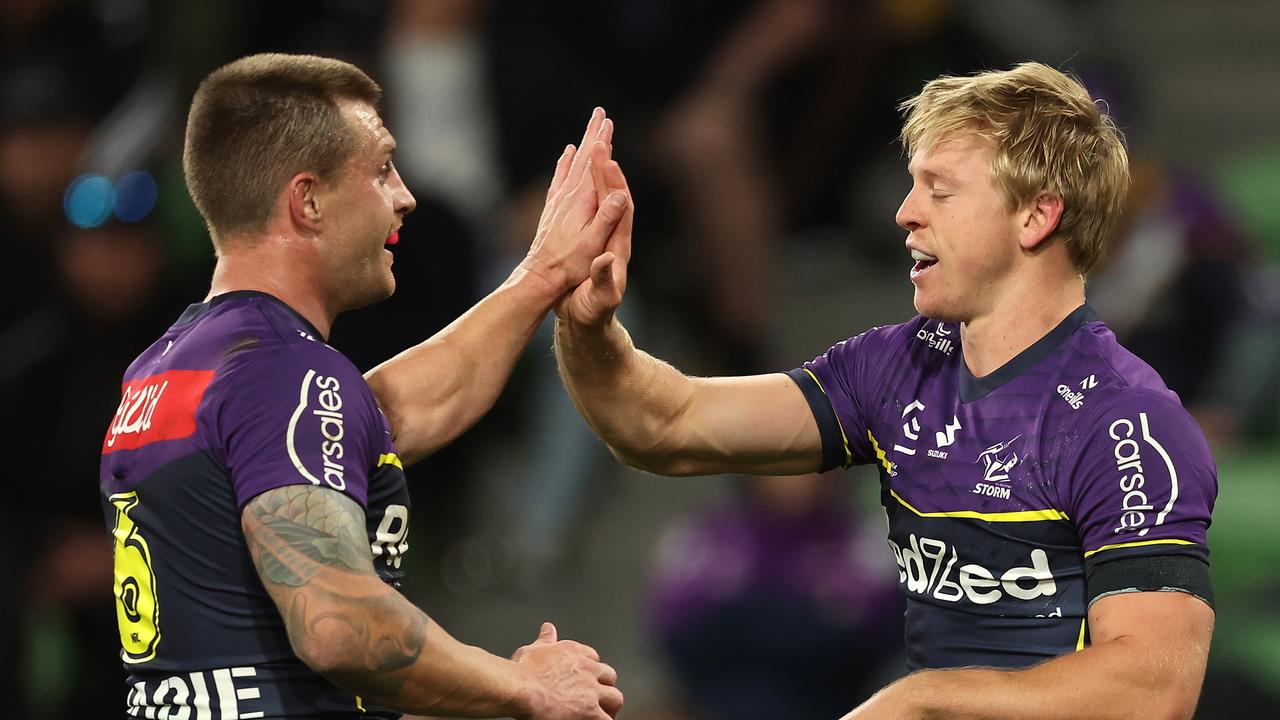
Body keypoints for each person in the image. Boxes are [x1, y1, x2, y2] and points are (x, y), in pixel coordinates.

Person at [556, 62, 1216, 719]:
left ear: (1036, 216)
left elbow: (1154, 690)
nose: (905, 214)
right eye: (912, 187)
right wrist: (586, 322)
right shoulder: (895, 368)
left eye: (941, 191)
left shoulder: (1125, 421)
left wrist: (927, 699)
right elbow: (661, 425)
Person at [99, 53, 629, 720]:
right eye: (381, 169)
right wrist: (528, 687)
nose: (405, 194)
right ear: (308, 199)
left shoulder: (169, 371)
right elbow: (340, 626)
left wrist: (543, 275)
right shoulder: (287, 373)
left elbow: (384, 417)